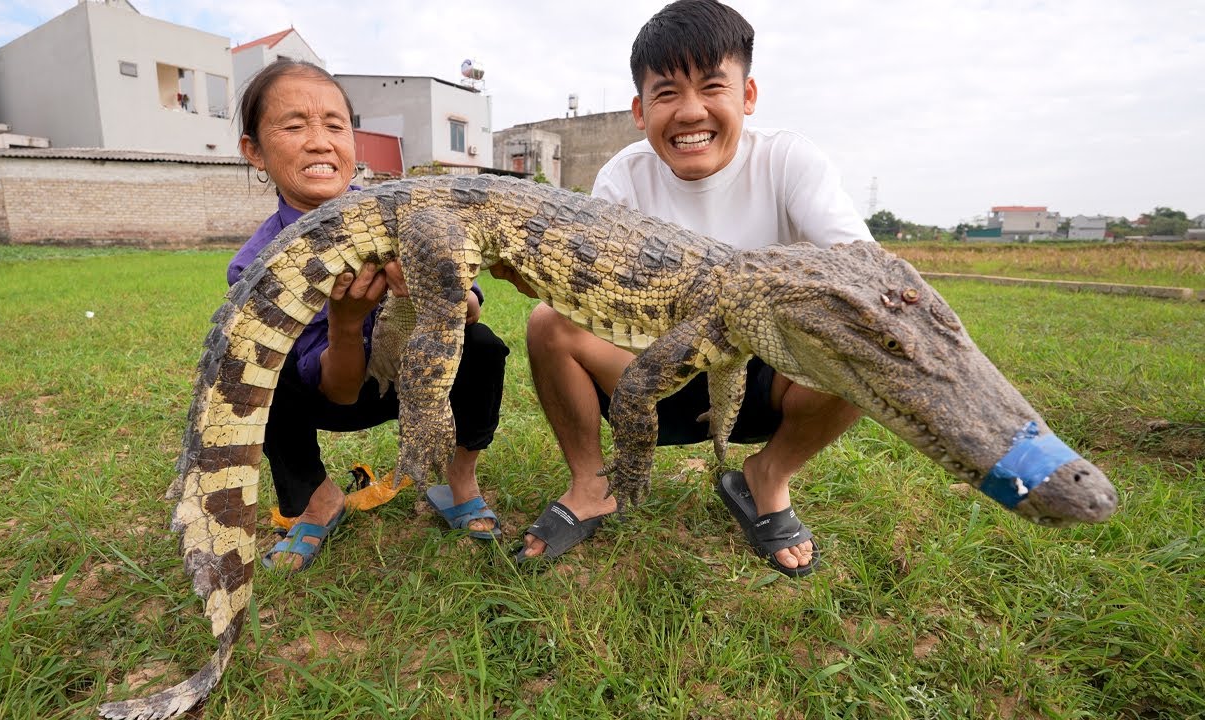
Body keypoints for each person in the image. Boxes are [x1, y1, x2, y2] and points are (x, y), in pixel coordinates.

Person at [515, 0, 872, 576]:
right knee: (548, 321)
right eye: (666, 93)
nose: (690, 112)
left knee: (868, 343)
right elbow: (582, 279)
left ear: (747, 96)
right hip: (653, 366)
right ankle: (590, 485)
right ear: (639, 108)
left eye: (712, 87)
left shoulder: (789, 160)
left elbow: (858, 265)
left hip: (764, 369)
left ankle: (767, 477)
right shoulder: (623, 177)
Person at [230, 60, 509, 572]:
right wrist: (345, 321)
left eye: (334, 125)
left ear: (352, 142)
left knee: (485, 346)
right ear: (255, 152)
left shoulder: (408, 215)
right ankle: (318, 500)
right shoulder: (255, 266)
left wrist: (434, 296)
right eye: (294, 126)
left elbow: (469, 307)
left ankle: (456, 483)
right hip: (336, 392)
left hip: (420, 380)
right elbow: (339, 392)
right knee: (253, 370)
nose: (319, 141)